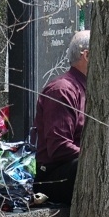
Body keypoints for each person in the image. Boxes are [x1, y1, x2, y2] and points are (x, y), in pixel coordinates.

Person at [32, 30, 90, 205]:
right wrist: (98, 156)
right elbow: (59, 148)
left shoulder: (89, 88)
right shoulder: (62, 90)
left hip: (79, 165)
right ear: (86, 56)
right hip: (54, 176)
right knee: (91, 166)